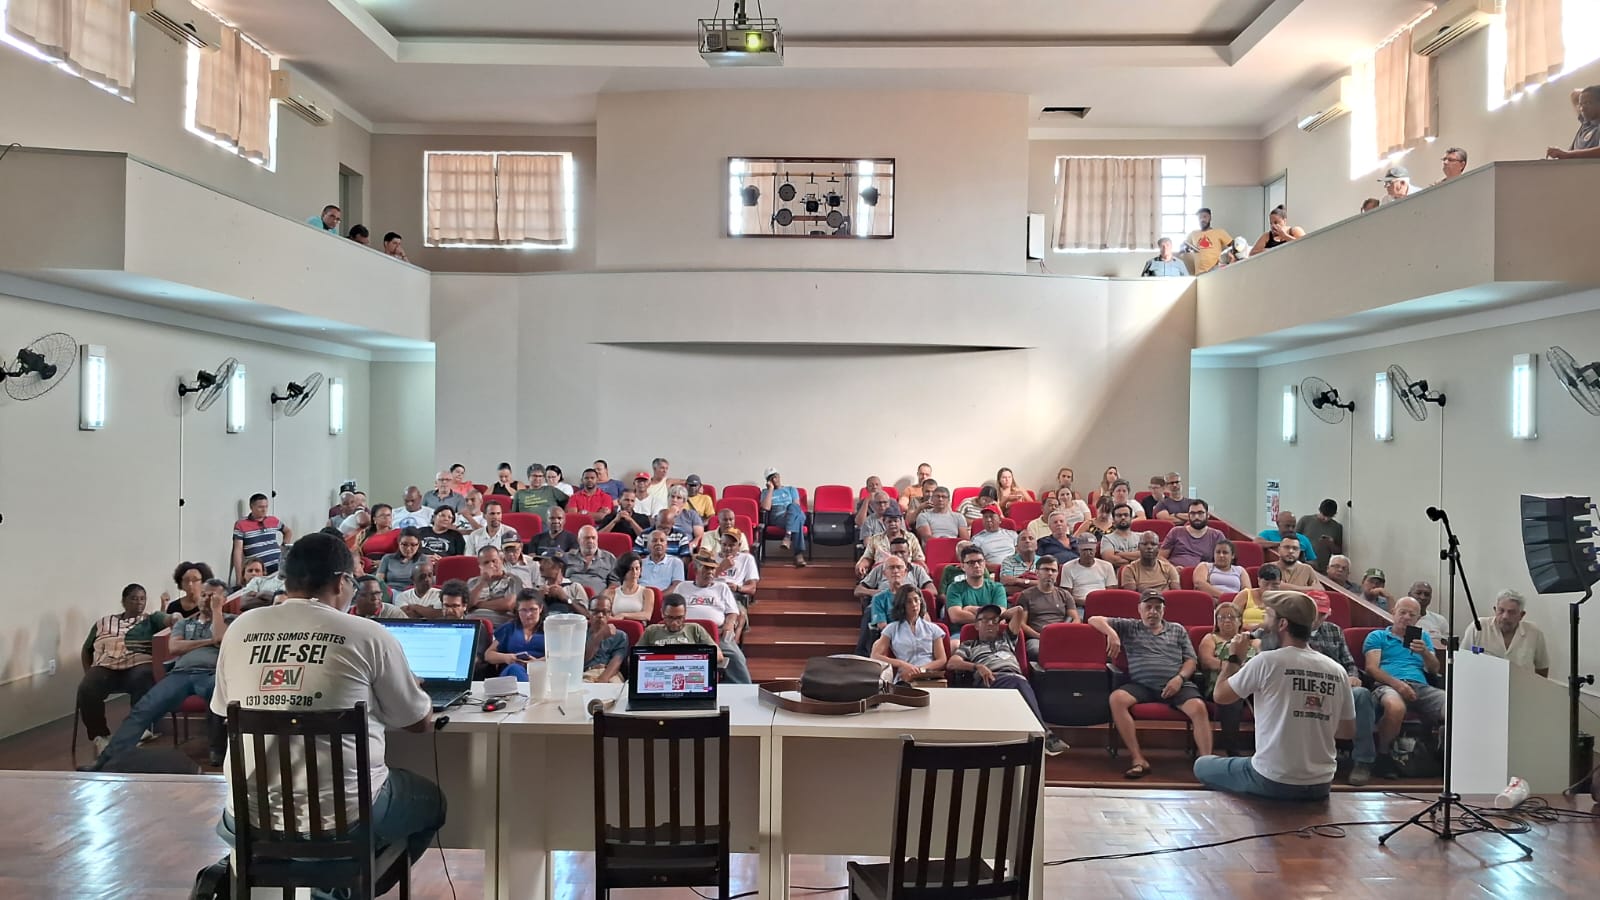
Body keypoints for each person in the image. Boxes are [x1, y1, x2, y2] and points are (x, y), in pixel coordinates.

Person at [207, 532, 442, 893]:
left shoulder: (240, 629)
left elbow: (225, 711)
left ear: (286, 579)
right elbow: (417, 722)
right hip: (344, 821)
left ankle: (328, 880)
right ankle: (350, 883)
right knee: (432, 803)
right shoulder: (368, 634)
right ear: (342, 581)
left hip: (246, 819)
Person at [1195, 591, 1355, 800]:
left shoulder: (1267, 662)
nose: (1262, 626)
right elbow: (1346, 731)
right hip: (1321, 783)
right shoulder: (1337, 670)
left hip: (1272, 779)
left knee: (1202, 766)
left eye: (1267, 616)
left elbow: (1221, 696)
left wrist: (1234, 657)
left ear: (1282, 625)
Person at [82, 578, 232, 770]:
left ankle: (217, 751)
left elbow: (221, 639)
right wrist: (208, 641)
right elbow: (174, 646)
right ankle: (105, 761)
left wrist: (217, 612)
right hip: (180, 674)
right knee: (143, 709)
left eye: (212, 596)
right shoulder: (185, 623)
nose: (206, 599)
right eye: (203, 595)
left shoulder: (232, 621)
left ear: (223, 600)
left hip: (211, 674)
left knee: (218, 699)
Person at [1091, 591, 1212, 777]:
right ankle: (1138, 759)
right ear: (1139, 609)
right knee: (1117, 699)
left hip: (1176, 683)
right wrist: (1112, 634)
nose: (1153, 612)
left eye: (1158, 607)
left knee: (1198, 707)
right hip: (1142, 685)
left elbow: (1190, 661)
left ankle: (1207, 765)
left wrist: (1179, 679)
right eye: (1148, 607)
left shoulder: (1177, 629)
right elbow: (1093, 619)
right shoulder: (1130, 627)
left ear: (1164, 610)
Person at [947, 604, 1070, 755]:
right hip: (991, 680)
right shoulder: (969, 645)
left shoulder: (1007, 639)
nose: (991, 624)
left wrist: (1001, 617)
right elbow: (952, 663)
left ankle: (1036, 736)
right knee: (1018, 682)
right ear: (976, 625)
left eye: (994, 620)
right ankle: (1044, 733)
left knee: (1019, 682)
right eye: (985, 620)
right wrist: (977, 666)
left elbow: (1018, 610)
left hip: (1014, 678)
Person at [1305, 592, 1380, 785]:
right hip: (1308, 686)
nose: (1316, 618)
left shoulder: (1334, 631)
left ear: (1328, 614)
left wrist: (1353, 676)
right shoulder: (1293, 631)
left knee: (1362, 695)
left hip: (1339, 686)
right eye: (1313, 613)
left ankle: (1363, 761)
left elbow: (1349, 662)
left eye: (1321, 614)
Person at [77, 584, 160, 754]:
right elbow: (86, 649)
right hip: (107, 666)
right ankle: (100, 736)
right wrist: (89, 672)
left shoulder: (150, 621)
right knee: (87, 687)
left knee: (144, 675)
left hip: (137, 664)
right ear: (123, 601)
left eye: (142, 599)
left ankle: (137, 730)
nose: (139, 603)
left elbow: (166, 623)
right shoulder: (104, 623)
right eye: (134, 598)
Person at [1364, 597, 1445, 766]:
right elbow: (1372, 669)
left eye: (1412, 615)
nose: (1407, 617)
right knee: (1396, 707)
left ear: (1417, 619)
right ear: (1393, 613)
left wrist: (1425, 653)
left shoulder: (1422, 638)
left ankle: (1442, 756)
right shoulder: (1378, 636)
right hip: (1388, 685)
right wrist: (1399, 685)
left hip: (1420, 687)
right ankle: (1383, 756)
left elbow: (1434, 669)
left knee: (1454, 707)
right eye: (1402, 612)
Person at [672, 550, 751, 683]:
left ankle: (743, 691)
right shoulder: (682, 587)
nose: (710, 572)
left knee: (736, 657)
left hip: (717, 634)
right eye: (706, 568)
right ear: (696, 569)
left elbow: (732, 612)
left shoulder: (721, 587)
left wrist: (729, 625)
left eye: (713, 569)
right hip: (686, 633)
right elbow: (673, 610)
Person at [1461, 589, 1551, 678]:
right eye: (1501, 610)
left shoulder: (1534, 633)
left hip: (1520, 687)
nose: (1505, 616)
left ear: (1521, 615)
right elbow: (1461, 660)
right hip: (1483, 683)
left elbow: (1542, 668)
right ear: (1495, 610)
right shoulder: (1478, 628)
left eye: (1511, 612)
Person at [871, 585, 947, 684]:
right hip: (904, 676)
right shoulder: (892, 628)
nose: (914, 604)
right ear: (902, 605)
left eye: (916, 600)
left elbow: (942, 659)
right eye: (909, 601)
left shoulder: (933, 629)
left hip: (928, 675)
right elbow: (875, 656)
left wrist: (920, 670)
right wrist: (902, 664)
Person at [1012, 554, 1079, 659]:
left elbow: (1075, 619)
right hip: (1037, 638)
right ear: (1037, 572)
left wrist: (1065, 633)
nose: (1050, 573)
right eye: (1046, 570)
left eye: (1053, 570)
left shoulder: (1065, 595)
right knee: (1036, 650)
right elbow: (1021, 624)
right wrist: (1040, 636)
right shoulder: (1025, 595)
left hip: (1063, 636)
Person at [639, 594, 723, 669]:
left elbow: (718, 655)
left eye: (679, 618)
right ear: (662, 613)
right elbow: (633, 659)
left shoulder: (695, 629)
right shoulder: (651, 630)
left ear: (685, 613)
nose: (675, 623)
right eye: (670, 617)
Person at [485, 592, 547, 680]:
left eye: (533, 609)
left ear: (540, 609)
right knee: (514, 668)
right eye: (523, 610)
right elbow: (488, 655)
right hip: (511, 672)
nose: (528, 614)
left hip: (540, 672)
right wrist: (507, 658)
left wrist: (536, 662)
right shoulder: (509, 628)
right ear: (517, 610)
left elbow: (558, 656)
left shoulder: (549, 629)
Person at [231, 493, 291, 579]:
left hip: (278, 566)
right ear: (251, 507)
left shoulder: (272, 520)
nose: (264, 510)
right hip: (259, 570)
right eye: (260, 507)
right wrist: (239, 577)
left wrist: (284, 546)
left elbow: (288, 531)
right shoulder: (241, 524)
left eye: (266, 506)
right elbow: (237, 552)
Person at [945, 544, 1008, 626]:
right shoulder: (954, 588)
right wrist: (990, 616)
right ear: (963, 566)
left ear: (984, 563)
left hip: (992, 632)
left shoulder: (997, 588)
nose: (977, 565)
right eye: (971, 562)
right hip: (961, 633)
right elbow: (956, 616)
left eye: (980, 561)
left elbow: (1001, 616)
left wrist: (970, 609)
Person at [466, 546, 527, 626]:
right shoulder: (473, 582)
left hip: (499, 625)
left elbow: (508, 604)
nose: (491, 565)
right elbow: (467, 605)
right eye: (486, 562)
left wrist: (478, 604)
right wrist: (482, 582)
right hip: (473, 625)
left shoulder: (513, 580)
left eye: (494, 561)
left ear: (501, 561)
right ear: (480, 565)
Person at [761, 467, 808, 567]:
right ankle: (798, 555)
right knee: (798, 520)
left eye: (775, 477)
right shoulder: (765, 492)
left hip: (792, 512)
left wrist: (789, 512)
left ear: (779, 476)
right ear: (768, 481)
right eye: (771, 479)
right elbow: (766, 507)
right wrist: (770, 490)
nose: (774, 480)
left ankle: (788, 535)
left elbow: (796, 505)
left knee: (793, 508)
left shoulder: (791, 489)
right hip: (778, 516)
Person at [857, 507, 923, 575]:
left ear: (901, 522)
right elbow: (867, 557)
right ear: (884, 522)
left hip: (906, 573)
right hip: (881, 573)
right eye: (889, 521)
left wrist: (921, 568)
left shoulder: (911, 538)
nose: (893, 524)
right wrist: (862, 565)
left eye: (895, 521)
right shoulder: (875, 539)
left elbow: (919, 558)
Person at [1159, 499, 1223, 567]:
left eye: (1200, 513)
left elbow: (1223, 563)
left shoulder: (1217, 536)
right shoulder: (1175, 532)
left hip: (1203, 574)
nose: (1196, 517)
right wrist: (1172, 569)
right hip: (1174, 573)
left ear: (1207, 515)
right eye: (1192, 513)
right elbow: (1160, 557)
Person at [581, 596, 629, 683]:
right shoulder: (580, 634)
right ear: (588, 613)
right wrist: (599, 636)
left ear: (610, 614)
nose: (600, 615)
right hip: (586, 672)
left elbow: (616, 662)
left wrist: (602, 680)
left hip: (610, 674)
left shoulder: (620, 636)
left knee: (617, 691)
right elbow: (583, 661)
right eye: (595, 612)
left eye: (604, 612)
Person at [1547, 85, 1600, 160]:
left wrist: (1568, 154)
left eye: (1587, 103)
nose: (1582, 108)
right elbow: (1574, 94)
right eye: (1581, 104)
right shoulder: (1586, 122)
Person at [1060, 534, 1116, 604]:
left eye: (1090, 549)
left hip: (1103, 604)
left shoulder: (1107, 566)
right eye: (1084, 550)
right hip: (1079, 606)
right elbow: (1067, 596)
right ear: (1078, 550)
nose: (1088, 553)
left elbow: (1110, 592)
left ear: (1095, 549)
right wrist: (1087, 602)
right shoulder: (1067, 567)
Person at [713, 528, 761, 607]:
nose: (727, 548)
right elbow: (702, 581)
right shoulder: (712, 557)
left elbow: (752, 588)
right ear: (720, 543)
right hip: (713, 593)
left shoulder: (747, 559)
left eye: (731, 545)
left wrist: (737, 588)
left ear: (739, 546)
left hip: (734, 595)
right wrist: (721, 567)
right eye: (724, 544)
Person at [565, 526, 617, 597]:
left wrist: (605, 595)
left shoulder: (609, 558)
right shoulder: (567, 557)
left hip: (598, 600)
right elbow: (558, 579)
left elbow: (615, 583)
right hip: (571, 598)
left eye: (593, 538)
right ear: (579, 540)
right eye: (587, 538)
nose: (590, 541)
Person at [604, 552, 656, 622]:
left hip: (638, 629)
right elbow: (606, 615)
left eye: (637, 568)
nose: (634, 572)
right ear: (623, 570)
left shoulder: (647, 592)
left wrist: (623, 615)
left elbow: (647, 615)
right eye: (631, 569)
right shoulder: (610, 593)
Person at [1181, 207, 1232, 275]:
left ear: (1210, 218)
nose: (1202, 219)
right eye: (1200, 218)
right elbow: (1183, 246)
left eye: (1205, 217)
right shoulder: (1193, 233)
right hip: (1199, 273)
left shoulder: (1219, 232)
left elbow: (1234, 246)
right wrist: (1185, 249)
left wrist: (1228, 259)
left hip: (1216, 270)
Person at [1297, 500, 1344, 572]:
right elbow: (1293, 539)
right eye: (1324, 515)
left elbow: (1338, 552)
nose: (1326, 519)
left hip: (1322, 568)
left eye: (1329, 517)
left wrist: (1330, 544)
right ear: (1319, 510)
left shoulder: (1337, 527)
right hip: (1302, 564)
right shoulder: (1305, 521)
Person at [1233, 563, 1281, 629]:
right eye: (1266, 584)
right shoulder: (1245, 594)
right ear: (1259, 581)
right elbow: (1232, 620)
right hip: (1245, 634)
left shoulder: (1282, 599)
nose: (1269, 588)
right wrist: (1257, 627)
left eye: (1275, 585)